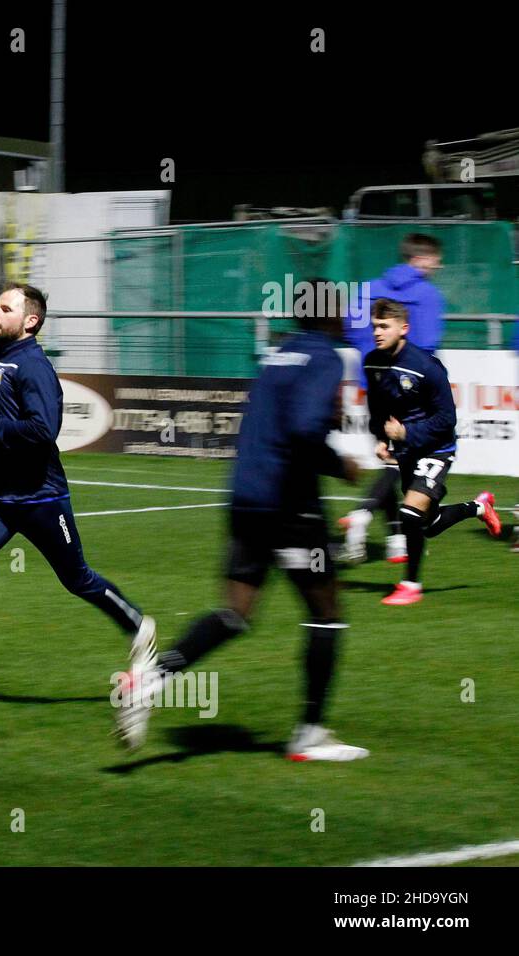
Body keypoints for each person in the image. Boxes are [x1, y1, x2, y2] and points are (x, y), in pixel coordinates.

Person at [115, 280, 367, 761]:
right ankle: (309, 733)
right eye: (338, 306)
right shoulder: (325, 356)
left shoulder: (277, 356)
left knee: (235, 614)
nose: (345, 314)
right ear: (325, 314)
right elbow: (303, 428)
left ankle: (151, 678)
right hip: (290, 505)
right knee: (327, 614)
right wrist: (342, 465)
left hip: (246, 496)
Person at [0, 284, 156, 704]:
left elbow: (43, 431)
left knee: (78, 580)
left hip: (40, 499)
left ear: (30, 321)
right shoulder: (0, 358)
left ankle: (140, 627)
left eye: (4, 308)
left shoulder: (33, 366)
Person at [365, 299, 502, 606]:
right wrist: (381, 438)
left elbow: (447, 420)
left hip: (438, 448)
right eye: (375, 325)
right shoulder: (372, 361)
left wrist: (407, 433)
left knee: (409, 513)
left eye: (384, 326)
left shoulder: (426, 367)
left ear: (404, 328)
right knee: (429, 522)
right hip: (407, 451)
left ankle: (410, 586)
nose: (377, 332)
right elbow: (377, 406)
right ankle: (479, 508)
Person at [340, 234, 446, 564]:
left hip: (372, 384)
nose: (438, 266)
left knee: (390, 455)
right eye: (434, 260)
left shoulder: (368, 287)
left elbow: (350, 328)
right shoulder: (427, 295)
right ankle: (363, 513)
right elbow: (426, 344)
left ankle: (396, 538)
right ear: (421, 260)